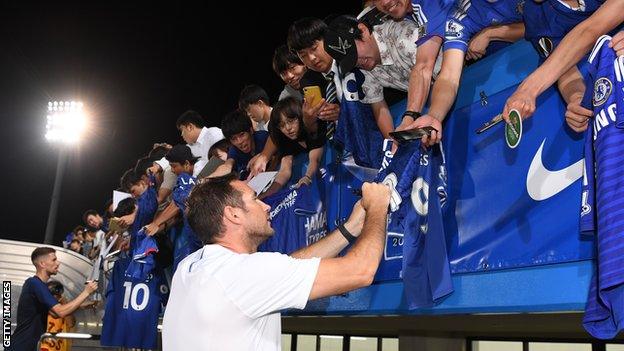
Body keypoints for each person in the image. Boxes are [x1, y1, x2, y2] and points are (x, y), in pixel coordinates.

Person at [162, 173, 391, 350]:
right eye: (254, 199)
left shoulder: (190, 266)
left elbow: (284, 269)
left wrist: (349, 229)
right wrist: (378, 205)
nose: (266, 205)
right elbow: (361, 270)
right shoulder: (246, 275)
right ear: (233, 214)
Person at [402, 0, 526, 146]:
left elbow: (548, 24)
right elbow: (449, 77)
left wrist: (491, 33)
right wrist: (434, 116)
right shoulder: (458, 18)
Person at [324, 14, 441, 140]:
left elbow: (427, 71)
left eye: (354, 53)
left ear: (363, 30)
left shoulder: (400, 33)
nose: (358, 61)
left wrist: (409, 117)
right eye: (351, 60)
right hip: (430, 102)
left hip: (454, 82)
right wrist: (393, 143)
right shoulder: (364, 67)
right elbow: (379, 108)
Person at [502, 0, 624, 121]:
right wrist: (577, 98)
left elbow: (591, 29)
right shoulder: (536, 13)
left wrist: (528, 89)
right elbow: (562, 65)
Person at [373, 0, 455, 133]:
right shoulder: (408, 13)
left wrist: (409, 118)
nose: (385, 2)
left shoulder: (427, 4)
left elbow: (424, 66)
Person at [6, 248, 97, 351]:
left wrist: (80, 306)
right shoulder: (34, 283)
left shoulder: (39, 285)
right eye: (54, 260)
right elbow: (60, 312)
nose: (58, 263)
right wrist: (86, 292)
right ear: (42, 264)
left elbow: (54, 313)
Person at [176, 110, 225, 177]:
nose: (181, 135)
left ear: (190, 127)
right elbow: (173, 157)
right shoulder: (190, 146)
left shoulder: (214, 134)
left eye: (182, 130)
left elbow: (223, 159)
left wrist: (200, 180)